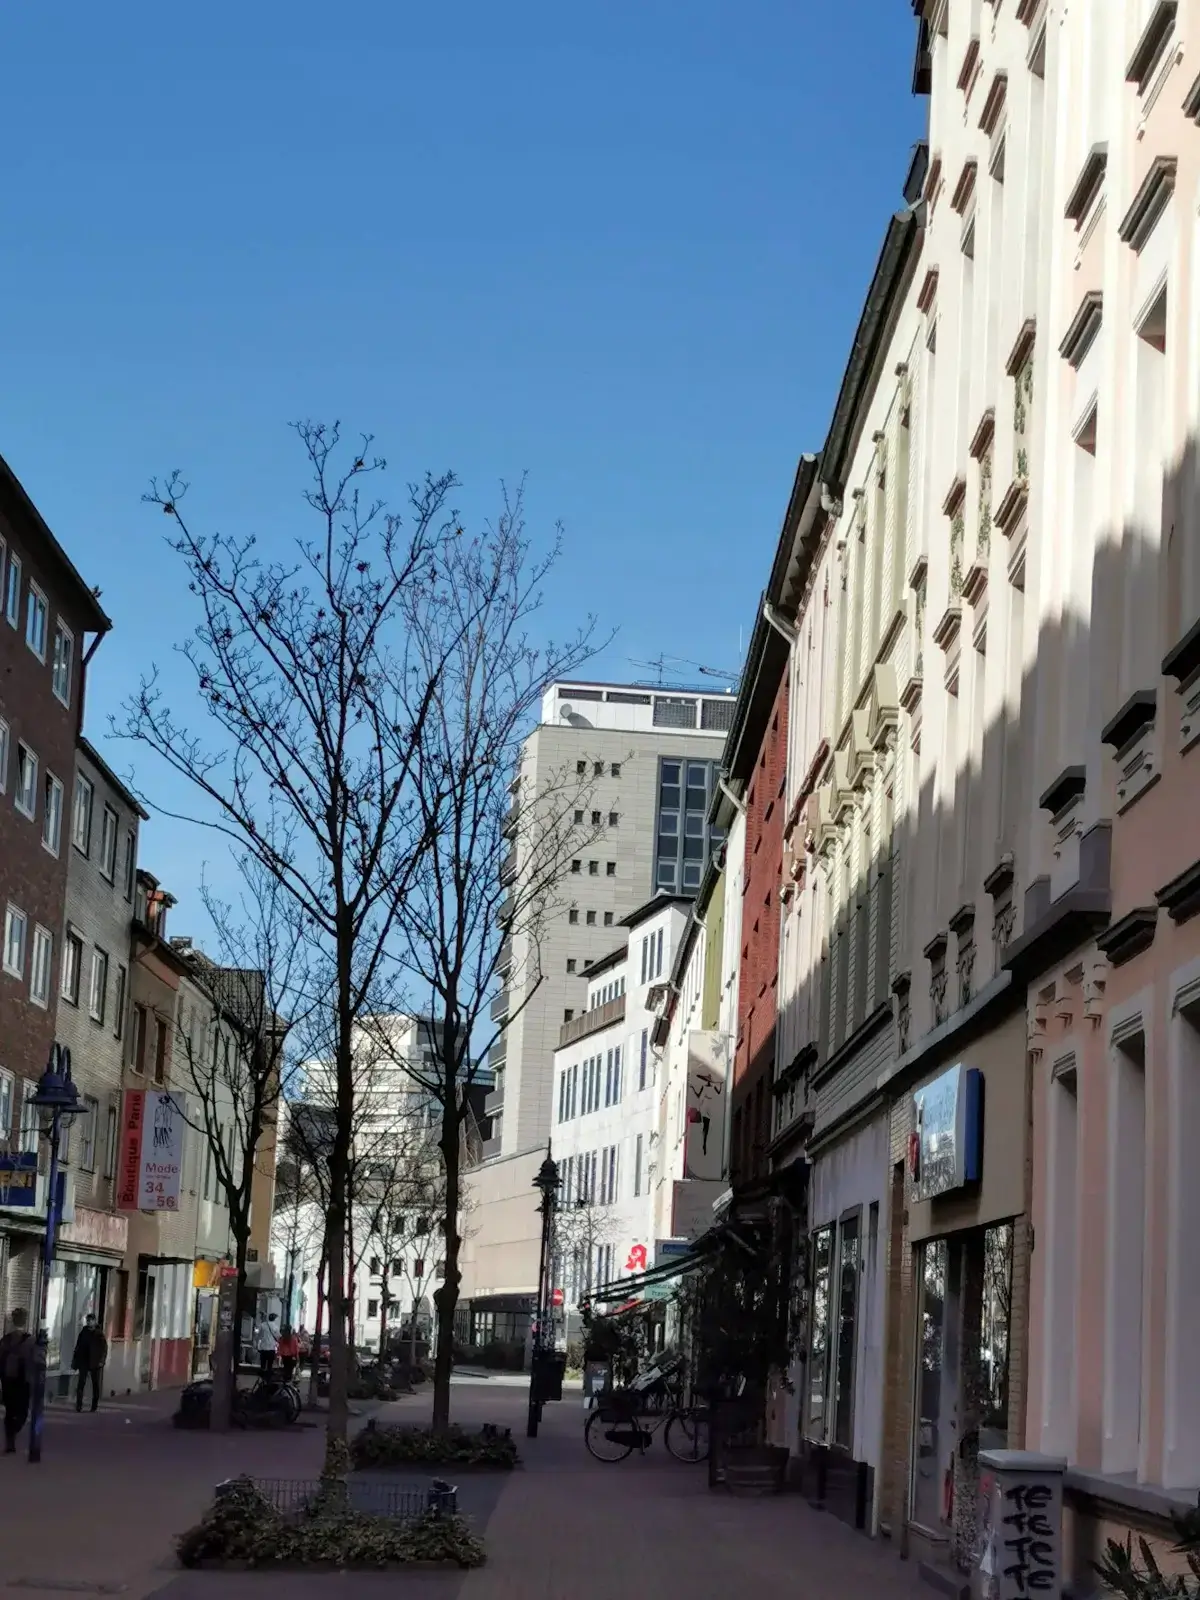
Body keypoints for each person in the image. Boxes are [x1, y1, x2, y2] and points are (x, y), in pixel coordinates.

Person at [0, 1309, 36, 1454]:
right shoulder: (31, 1340)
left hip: (8, 1380)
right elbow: (36, 1361)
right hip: (24, 1381)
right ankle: (14, 1431)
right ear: (25, 1321)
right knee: (22, 1411)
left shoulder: (5, 1340)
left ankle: (10, 1441)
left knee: (10, 1411)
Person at [71, 1314, 108, 1413]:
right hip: (84, 1361)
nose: (89, 1322)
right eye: (87, 1320)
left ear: (95, 1321)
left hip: (95, 1362)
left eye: (91, 1320)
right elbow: (78, 1347)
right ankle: (79, 1405)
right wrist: (75, 1361)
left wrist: (102, 1361)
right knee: (81, 1383)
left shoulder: (99, 1334)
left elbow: (104, 1349)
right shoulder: (83, 1332)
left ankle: (94, 1405)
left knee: (95, 1384)